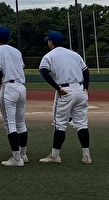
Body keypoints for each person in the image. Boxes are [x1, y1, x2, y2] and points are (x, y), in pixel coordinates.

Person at [38, 31, 92, 164]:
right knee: (82, 124)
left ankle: (55, 155)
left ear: (51, 42)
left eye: (48, 41)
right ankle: (86, 156)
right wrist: (86, 87)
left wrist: (57, 89)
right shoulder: (74, 54)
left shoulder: (49, 56)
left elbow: (44, 72)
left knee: (60, 124)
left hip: (65, 90)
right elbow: (86, 71)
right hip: (80, 90)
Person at [0, 26, 28, 167]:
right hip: (21, 87)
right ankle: (23, 154)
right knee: (21, 123)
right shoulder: (16, 51)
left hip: (8, 87)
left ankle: (16, 158)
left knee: (10, 123)